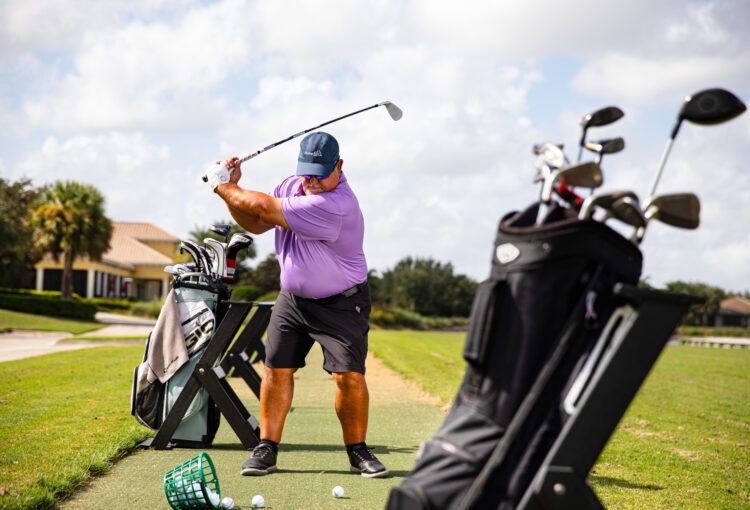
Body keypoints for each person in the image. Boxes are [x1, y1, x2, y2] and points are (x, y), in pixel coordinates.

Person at [204, 131, 388, 478]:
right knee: (275, 369)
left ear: (339, 167)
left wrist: (220, 186)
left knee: (348, 376)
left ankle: (358, 451)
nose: (312, 180)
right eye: (307, 172)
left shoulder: (336, 205)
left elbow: (260, 206)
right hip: (292, 300)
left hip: (342, 302)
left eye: (320, 173)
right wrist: (232, 193)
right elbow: (256, 222)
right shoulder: (292, 185)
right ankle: (266, 448)